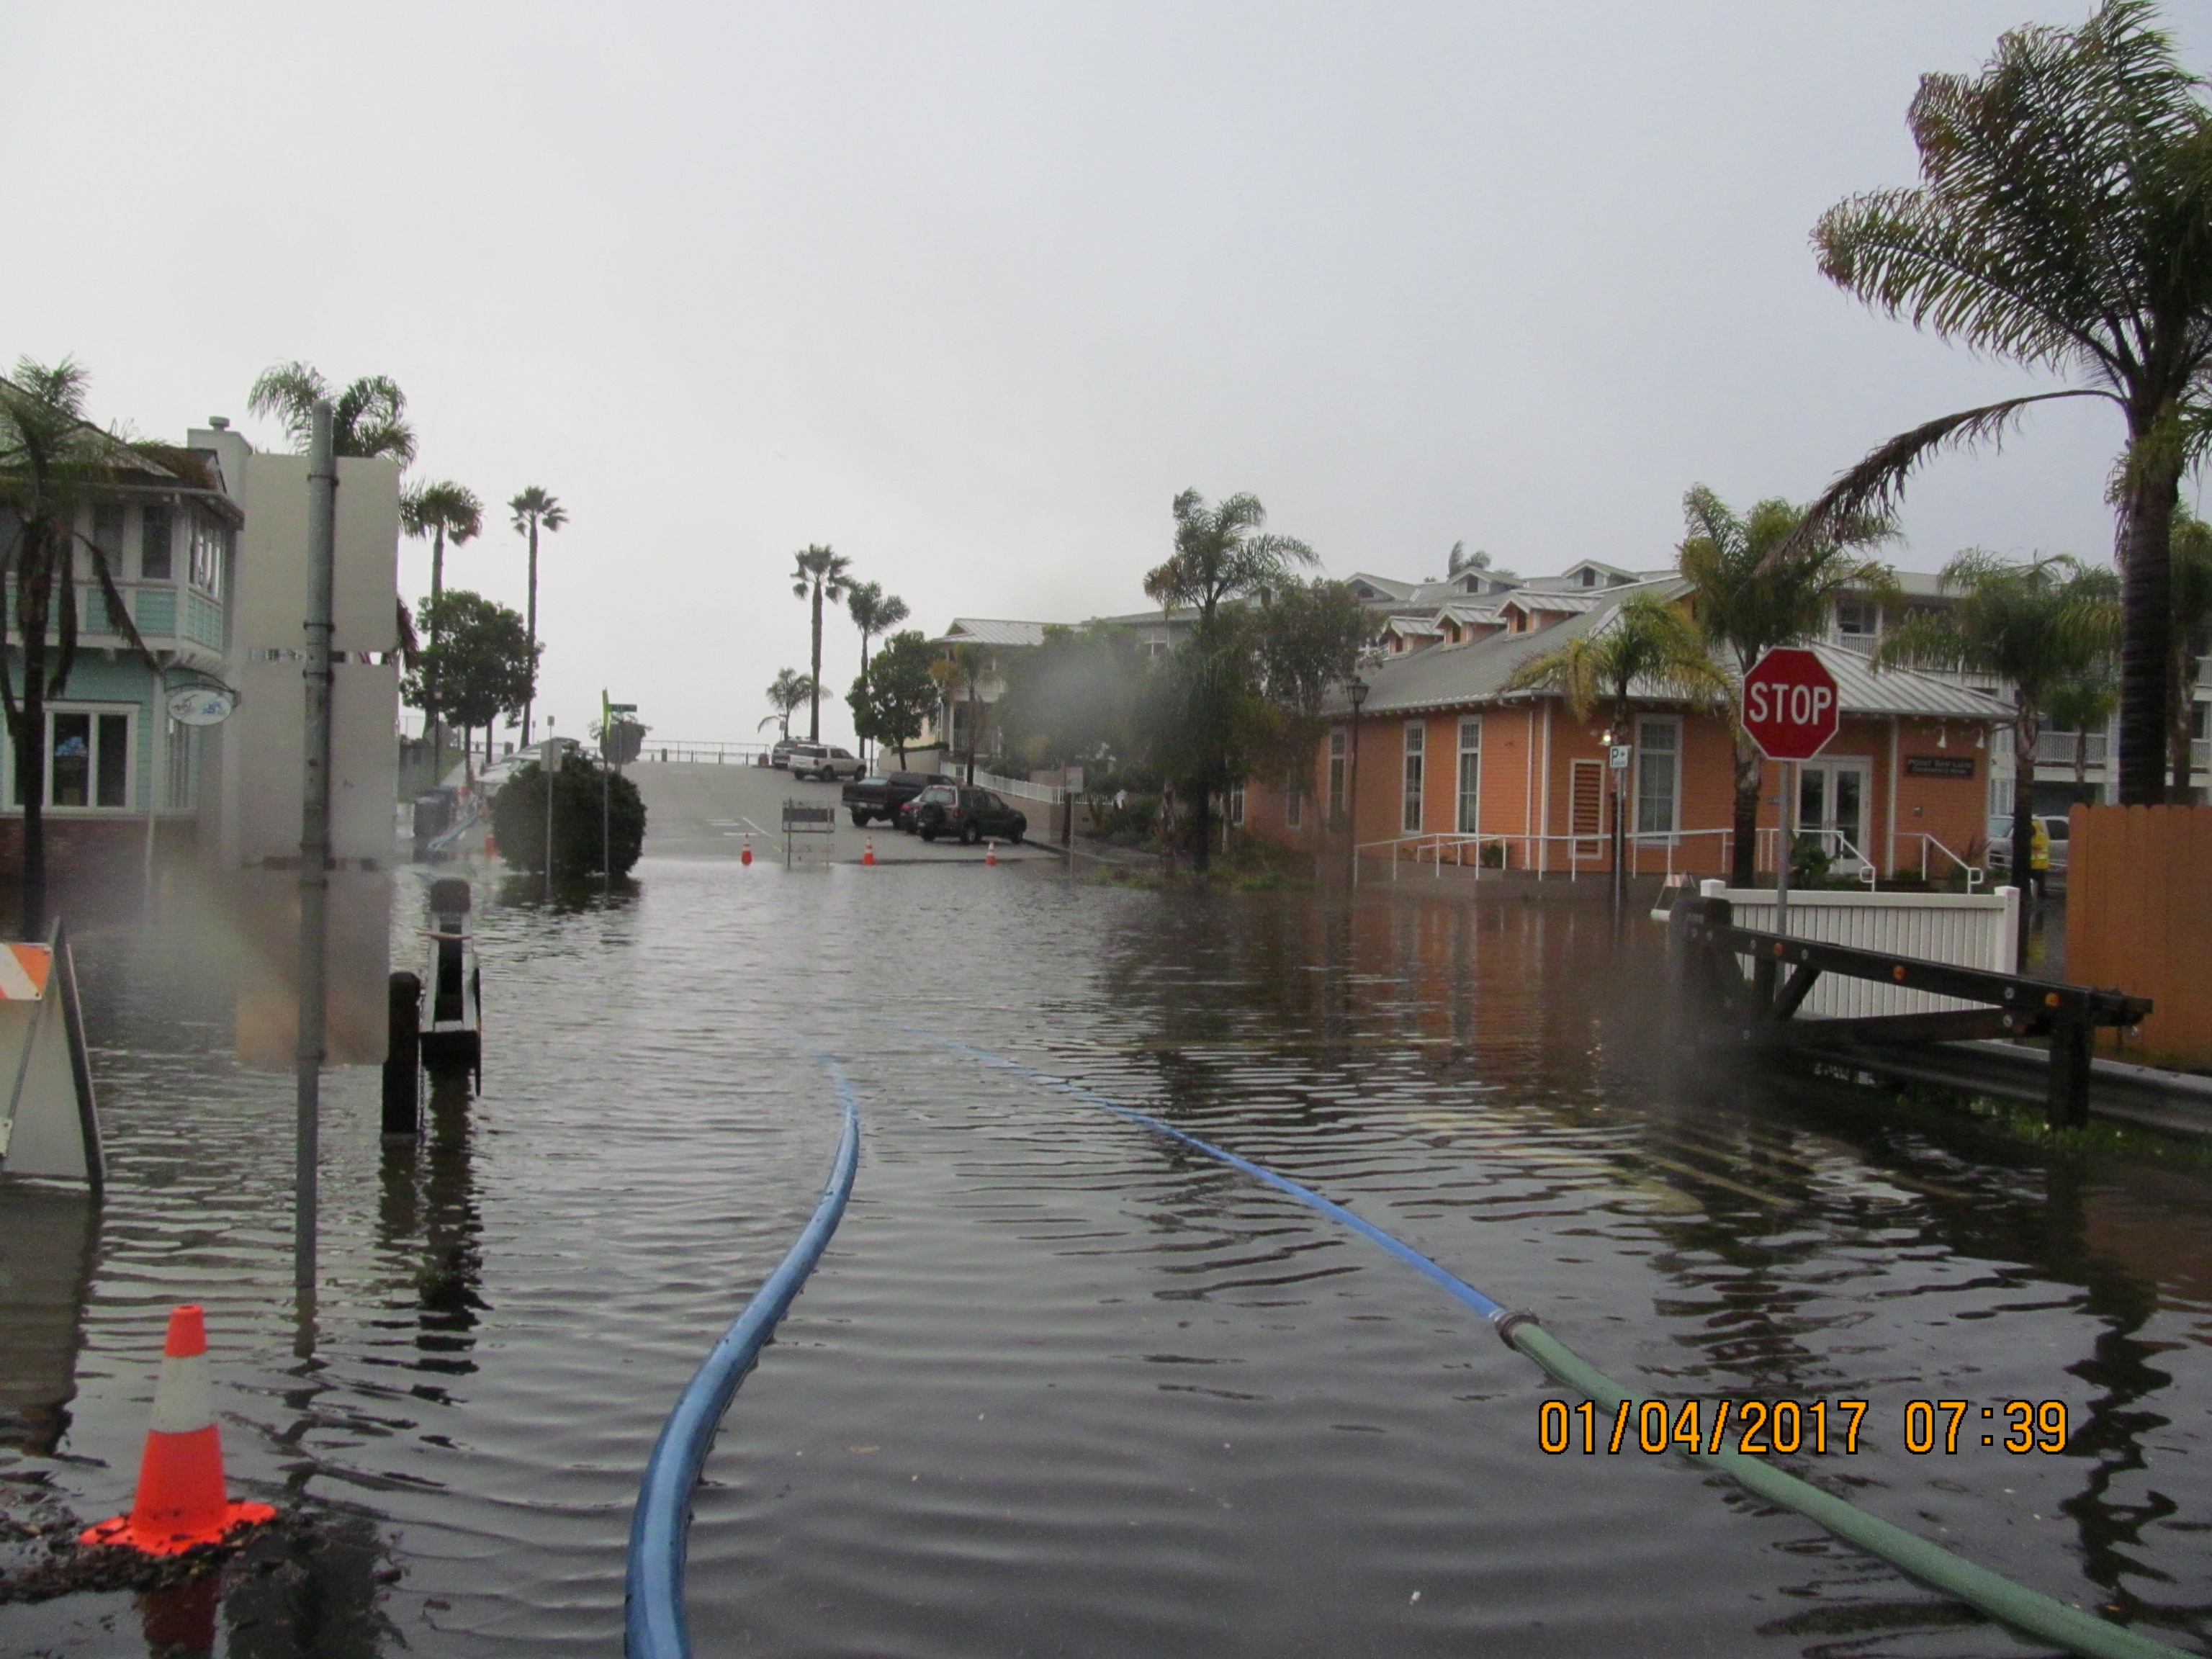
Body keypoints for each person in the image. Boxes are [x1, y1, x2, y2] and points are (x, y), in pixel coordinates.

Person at [2028, 816, 2051, 900]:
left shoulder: (2041, 836)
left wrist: (2030, 842)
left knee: (2040, 881)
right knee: (2034, 881)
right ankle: (2036, 895)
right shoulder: (2033, 836)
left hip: (2041, 863)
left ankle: (2041, 895)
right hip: (2034, 863)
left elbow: (2039, 845)